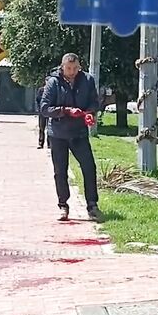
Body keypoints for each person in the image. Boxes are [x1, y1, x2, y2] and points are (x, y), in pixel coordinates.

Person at [40, 53, 103, 222]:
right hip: (58, 133)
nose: (72, 72)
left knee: (89, 167)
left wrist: (89, 113)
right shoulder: (53, 82)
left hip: (79, 133)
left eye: (75, 68)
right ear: (62, 67)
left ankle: (92, 205)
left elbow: (94, 102)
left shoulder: (87, 80)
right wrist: (65, 110)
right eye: (69, 68)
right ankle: (63, 205)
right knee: (60, 171)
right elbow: (44, 108)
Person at [36, 81, 50, 149]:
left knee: (50, 128)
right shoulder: (41, 90)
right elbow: (38, 100)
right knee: (41, 128)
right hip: (42, 112)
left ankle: (49, 144)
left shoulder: (52, 90)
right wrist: (40, 109)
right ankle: (40, 143)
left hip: (50, 111)